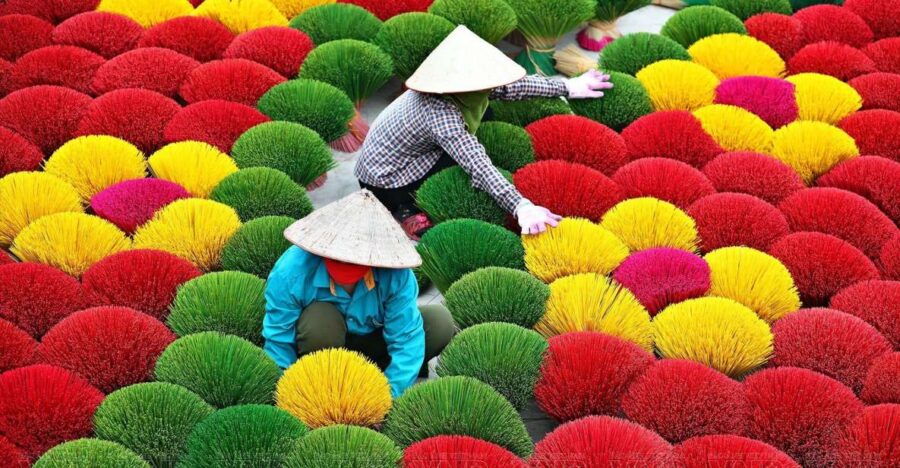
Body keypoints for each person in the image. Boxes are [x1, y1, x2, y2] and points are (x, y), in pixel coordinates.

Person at [356, 25, 613, 240]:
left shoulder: (466, 88)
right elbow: (478, 166)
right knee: (463, 166)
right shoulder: (439, 114)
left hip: (410, 153)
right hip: (388, 179)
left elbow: (513, 87)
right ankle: (404, 209)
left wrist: (567, 86)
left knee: (487, 113)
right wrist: (521, 206)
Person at [262, 189, 455, 398]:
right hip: (323, 348)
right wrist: (288, 389)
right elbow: (279, 338)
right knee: (320, 318)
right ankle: (326, 382)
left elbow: (406, 338)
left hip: (375, 344)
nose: (347, 263)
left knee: (438, 322)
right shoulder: (291, 271)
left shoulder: (396, 275)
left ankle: (375, 376)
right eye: (339, 258)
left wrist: (388, 395)